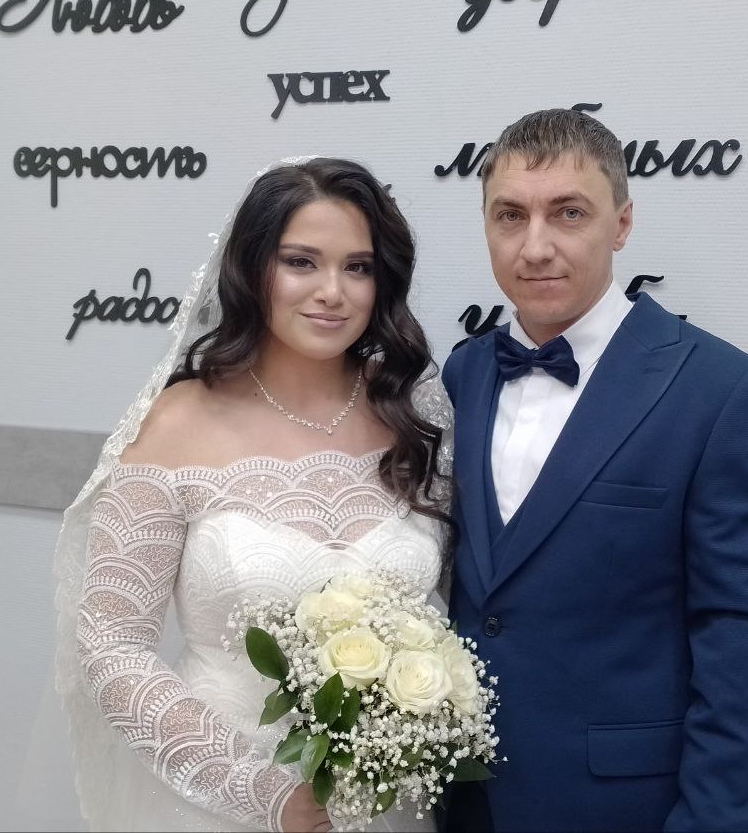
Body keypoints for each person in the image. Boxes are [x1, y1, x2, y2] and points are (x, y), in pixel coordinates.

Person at [53, 157, 452, 833]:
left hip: (388, 805)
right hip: (221, 805)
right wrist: (263, 794)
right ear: (251, 267)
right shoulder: (176, 423)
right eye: (301, 262)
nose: (333, 292)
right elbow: (112, 645)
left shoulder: (413, 414)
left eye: (358, 267)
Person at [440, 109, 748, 832]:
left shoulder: (723, 390)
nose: (536, 246)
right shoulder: (461, 373)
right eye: (511, 215)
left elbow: (741, 643)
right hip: (461, 800)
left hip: (624, 807)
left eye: (568, 213)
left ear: (622, 224)